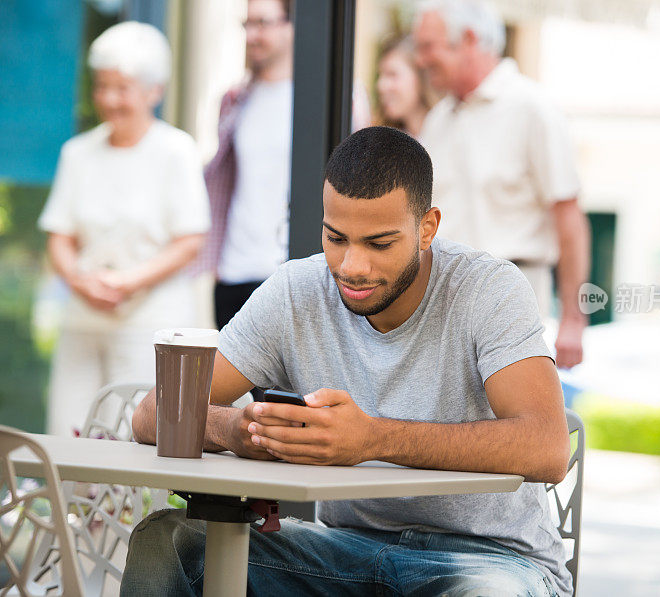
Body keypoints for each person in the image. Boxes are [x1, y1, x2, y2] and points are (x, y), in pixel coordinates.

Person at [122, 127, 572, 596]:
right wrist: (239, 430)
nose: (352, 266)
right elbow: (152, 414)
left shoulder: (489, 289)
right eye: (336, 238)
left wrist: (371, 439)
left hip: (489, 560)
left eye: (379, 244)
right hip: (343, 552)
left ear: (427, 227)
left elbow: (546, 446)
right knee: (168, 541)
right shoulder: (296, 292)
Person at [37, 22, 210, 437]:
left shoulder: (176, 150)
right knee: (70, 433)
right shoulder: (78, 153)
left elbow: (190, 240)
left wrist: (125, 282)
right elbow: (59, 236)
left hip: (148, 323)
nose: (109, 99)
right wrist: (81, 281)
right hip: (83, 321)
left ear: (154, 90)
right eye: (102, 86)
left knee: (136, 436)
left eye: (123, 87)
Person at [414, 0, 591, 370]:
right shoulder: (438, 120)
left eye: (428, 46)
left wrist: (574, 320)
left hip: (514, 301)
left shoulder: (532, 108)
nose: (420, 59)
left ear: (468, 39)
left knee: (510, 424)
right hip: (443, 306)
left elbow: (569, 219)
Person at [196, 0, 294, 333]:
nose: (252, 35)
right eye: (247, 24)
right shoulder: (235, 99)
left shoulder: (329, 100)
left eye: (263, 24)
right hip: (232, 275)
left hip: (286, 273)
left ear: (291, 25)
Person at [375, 35, 436, 138]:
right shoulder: (383, 142)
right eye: (380, 75)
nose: (381, 86)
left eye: (392, 74)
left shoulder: (448, 135)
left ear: (420, 77)